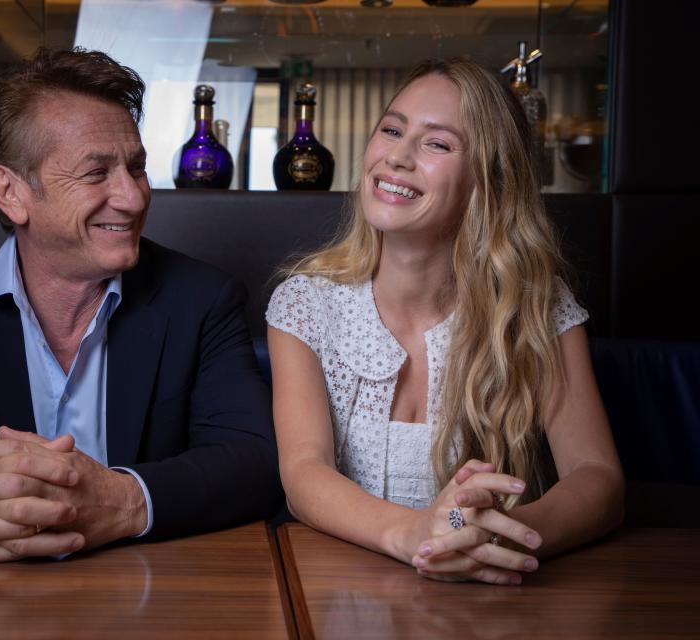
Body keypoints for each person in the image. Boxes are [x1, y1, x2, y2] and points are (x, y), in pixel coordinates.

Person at [0, 47, 282, 563]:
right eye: (96, 173)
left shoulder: (202, 299)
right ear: (10, 192)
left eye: (136, 167)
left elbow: (254, 460)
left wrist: (118, 501)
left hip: (150, 594)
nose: (133, 196)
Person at [266, 58, 624, 585]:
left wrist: (500, 536)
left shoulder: (537, 306)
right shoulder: (304, 303)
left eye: (437, 144)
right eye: (391, 129)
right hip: (340, 590)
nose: (397, 156)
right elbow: (303, 474)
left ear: (491, 179)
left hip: (496, 597)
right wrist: (416, 536)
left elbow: (600, 479)